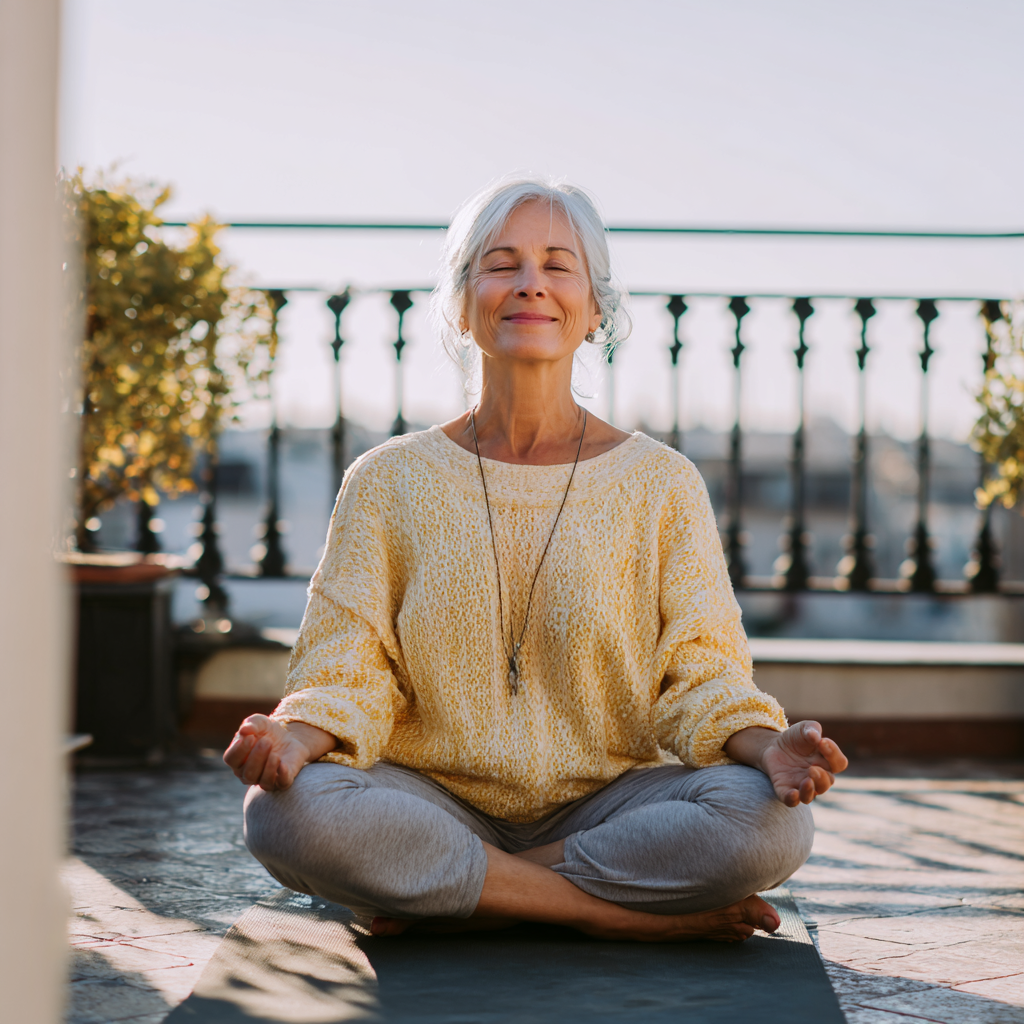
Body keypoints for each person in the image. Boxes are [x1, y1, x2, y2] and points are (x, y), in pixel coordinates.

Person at [225, 177, 848, 944]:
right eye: (501, 263)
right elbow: (345, 670)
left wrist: (769, 748)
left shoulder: (660, 483)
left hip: (613, 798)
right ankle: (611, 917)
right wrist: (295, 736)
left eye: (558, 266)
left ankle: (458, 890)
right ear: (462, 302)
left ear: (594, 309)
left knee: (769, 826)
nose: (530, 285)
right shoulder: (387, 480)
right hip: (424, 794)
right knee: (286, 812)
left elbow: (702, 674)